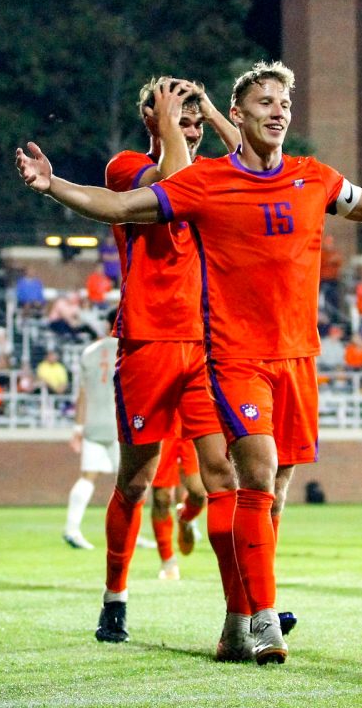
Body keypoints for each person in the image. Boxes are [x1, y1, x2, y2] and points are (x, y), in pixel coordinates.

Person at [16, 61, 362, 664]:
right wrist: (54, 186)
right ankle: (250, 619)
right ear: (239, 113)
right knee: (233, 478)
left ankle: (238, 619)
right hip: (219, 355)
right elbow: (125, 204)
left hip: (297, 356)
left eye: (284, 101)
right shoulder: (195, 179)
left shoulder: (313, 177)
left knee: (267, 491)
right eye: (264, 102)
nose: (278, 110)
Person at [71, 78, 247, 656]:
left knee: (223, 477)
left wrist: (214, 113)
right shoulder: (125, 167)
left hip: (206, 345)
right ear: (149, 118)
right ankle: (115, 597)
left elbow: (255, 163)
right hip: (147, 341)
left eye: (195, 122)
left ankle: (242, 609)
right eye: (177, 117)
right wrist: (171, 123)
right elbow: (172, 185)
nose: (188, 127)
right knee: (137, 480)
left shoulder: (218, 174)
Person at [63, 334, 120, 550]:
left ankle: (71, 528)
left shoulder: (89, 352)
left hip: (93, 423)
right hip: (117, 425)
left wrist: (78, 427)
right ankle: (129, 532)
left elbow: (82, 393)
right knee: (130, 481)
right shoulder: (126, 348)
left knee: (87, 477)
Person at [148, 437, 207, 581]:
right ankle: (167, 560)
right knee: (161, 497)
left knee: (199, 492)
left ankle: (185, 516)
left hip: (190, 423)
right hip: (164, 430)